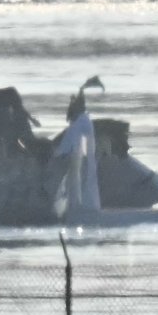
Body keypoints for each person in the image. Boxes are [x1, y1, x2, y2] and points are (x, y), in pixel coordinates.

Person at [53, 77, 101, 215]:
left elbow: (67, 145)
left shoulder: (80, 122)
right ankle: (84, 209)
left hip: (81, 161)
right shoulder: (84, 120)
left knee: (81, 188)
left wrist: (56, 154)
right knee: (84, 187)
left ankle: (83, 212)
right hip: (83, 160)